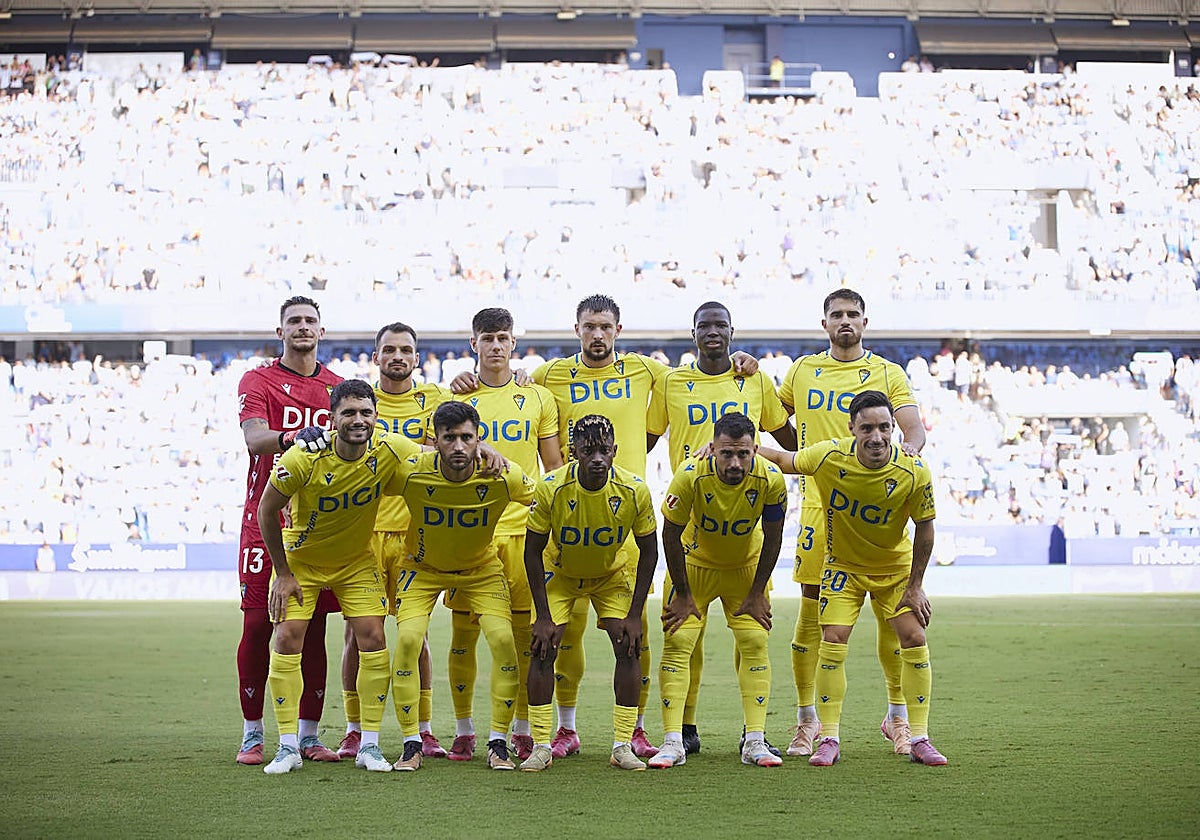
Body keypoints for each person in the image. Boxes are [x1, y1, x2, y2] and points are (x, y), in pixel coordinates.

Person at [758, 391, 947, 767]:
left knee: (914, 636)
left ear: (893, 429)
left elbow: (925, 528)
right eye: (867, 428)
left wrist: (916, 585)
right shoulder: (829, 456)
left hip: (895, 572)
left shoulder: (913, 469)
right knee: (833, 637)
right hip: (843, 568)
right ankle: (829, 737)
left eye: (884, 428)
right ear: (852, 429)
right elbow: (782, 459)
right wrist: (734, 447)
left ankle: (920, 735)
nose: (876, 437)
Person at [777, 288, 926, 758]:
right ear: (824, 323)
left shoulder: (888, 372)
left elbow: (914, 428)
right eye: (837, 315)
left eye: (853, 315)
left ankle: (899, 717)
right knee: (811, 615)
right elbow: (775, 419)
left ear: (865, 322)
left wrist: (907, 459)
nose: (845, 321)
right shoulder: (803, 370)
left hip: (874, 505)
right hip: (819, 509)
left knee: (891, 615)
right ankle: (807, 721)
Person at [646, 300, 795, 756]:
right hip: (691, 524)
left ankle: (755, 735)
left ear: (732, 332)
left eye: (720, 326)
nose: (712, 332)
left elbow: (788, 437)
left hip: (743, 528)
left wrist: (823, 455)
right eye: (704, 326)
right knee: (685, 638)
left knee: (749, 635)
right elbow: (644, 440)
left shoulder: (753, 378)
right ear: (693, 333)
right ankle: (683, 731)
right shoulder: (673, 382)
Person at [257, 379, 421, 774]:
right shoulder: (303, 457)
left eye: (366, 412)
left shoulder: (388, 449)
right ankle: (287, 746)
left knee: (374, 636)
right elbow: (266, 510)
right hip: (302, 562)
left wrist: (481, 448)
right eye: (349, 412)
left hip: (355, 562)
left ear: (376, 417)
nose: (358, 420)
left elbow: (436, 458)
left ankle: (369, 745)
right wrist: (282, 574)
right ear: (332, 419)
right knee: (287, 636)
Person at [387, 401, 535, 772]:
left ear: (479, 439)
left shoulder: (503, 474)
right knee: (407, 640)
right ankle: (410, 742)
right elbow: (364, 460)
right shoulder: (410, 472)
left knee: (503, 641)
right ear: (434, 441)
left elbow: (547, 498)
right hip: (421, 568)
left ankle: (498, 742)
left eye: (466, 438)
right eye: (448, 438)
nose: (457, 446)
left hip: (480, 568)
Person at [444, 308, 563, 762]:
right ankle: (463, 729)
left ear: (514, 343)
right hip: (469, 532)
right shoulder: (455, 398)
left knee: (520, 636)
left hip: (522, 533)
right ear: (473, 343)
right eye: (487, 338)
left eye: (502, 337)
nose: (495, 345)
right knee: (463, 634)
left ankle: (519, 729)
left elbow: (552, 468)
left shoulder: (537, 397)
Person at [234, 295, 342, 766]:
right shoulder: (257, 380)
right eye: (294, 321)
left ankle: (309, 734)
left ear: (321, 331)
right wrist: (290, 437)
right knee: (258, 624)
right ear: (281, 332)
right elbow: (255, 438)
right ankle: (252, 733)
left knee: (312, 629)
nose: (302, 327)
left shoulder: (338, 388)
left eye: (310, 321)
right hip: (264, 520)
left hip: (318, 528)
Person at [337, 322, 451, 762]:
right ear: (376, 357)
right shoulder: (361, 404)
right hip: (362, 536)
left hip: (412, 536)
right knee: (357, 635)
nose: (398, 356)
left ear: (417, 358)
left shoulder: (435, 400)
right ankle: (353, 729)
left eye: (406, 349)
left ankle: (422, 730)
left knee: (414, 637)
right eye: (389, 349)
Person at [648, 411, 788, 769]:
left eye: (743, 453)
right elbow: (669, 534)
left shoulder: (771, 479)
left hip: (745, 570)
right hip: (694, 568)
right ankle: (672, 742)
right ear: (712, 448)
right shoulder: (690, 475)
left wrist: (757, 593)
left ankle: (755, 740)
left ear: (755, 449)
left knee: (755, 642)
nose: (735, 463)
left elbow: (774, 537)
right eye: (726, 453)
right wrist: (682, 593)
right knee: (679, 642)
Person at [519, 414, 658, 772]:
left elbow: (650, 552)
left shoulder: (634, 490)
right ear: (572, 452)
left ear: (615, 451)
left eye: (604, 451)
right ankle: (540, 746)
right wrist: (544, 616)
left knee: (628, 645)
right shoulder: (550, 488)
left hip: (610, 576)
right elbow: (531, 552)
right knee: (543, 648)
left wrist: (633, 614)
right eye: (588, 450)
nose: (597, 458)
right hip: (561, 576)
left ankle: (622, 745)